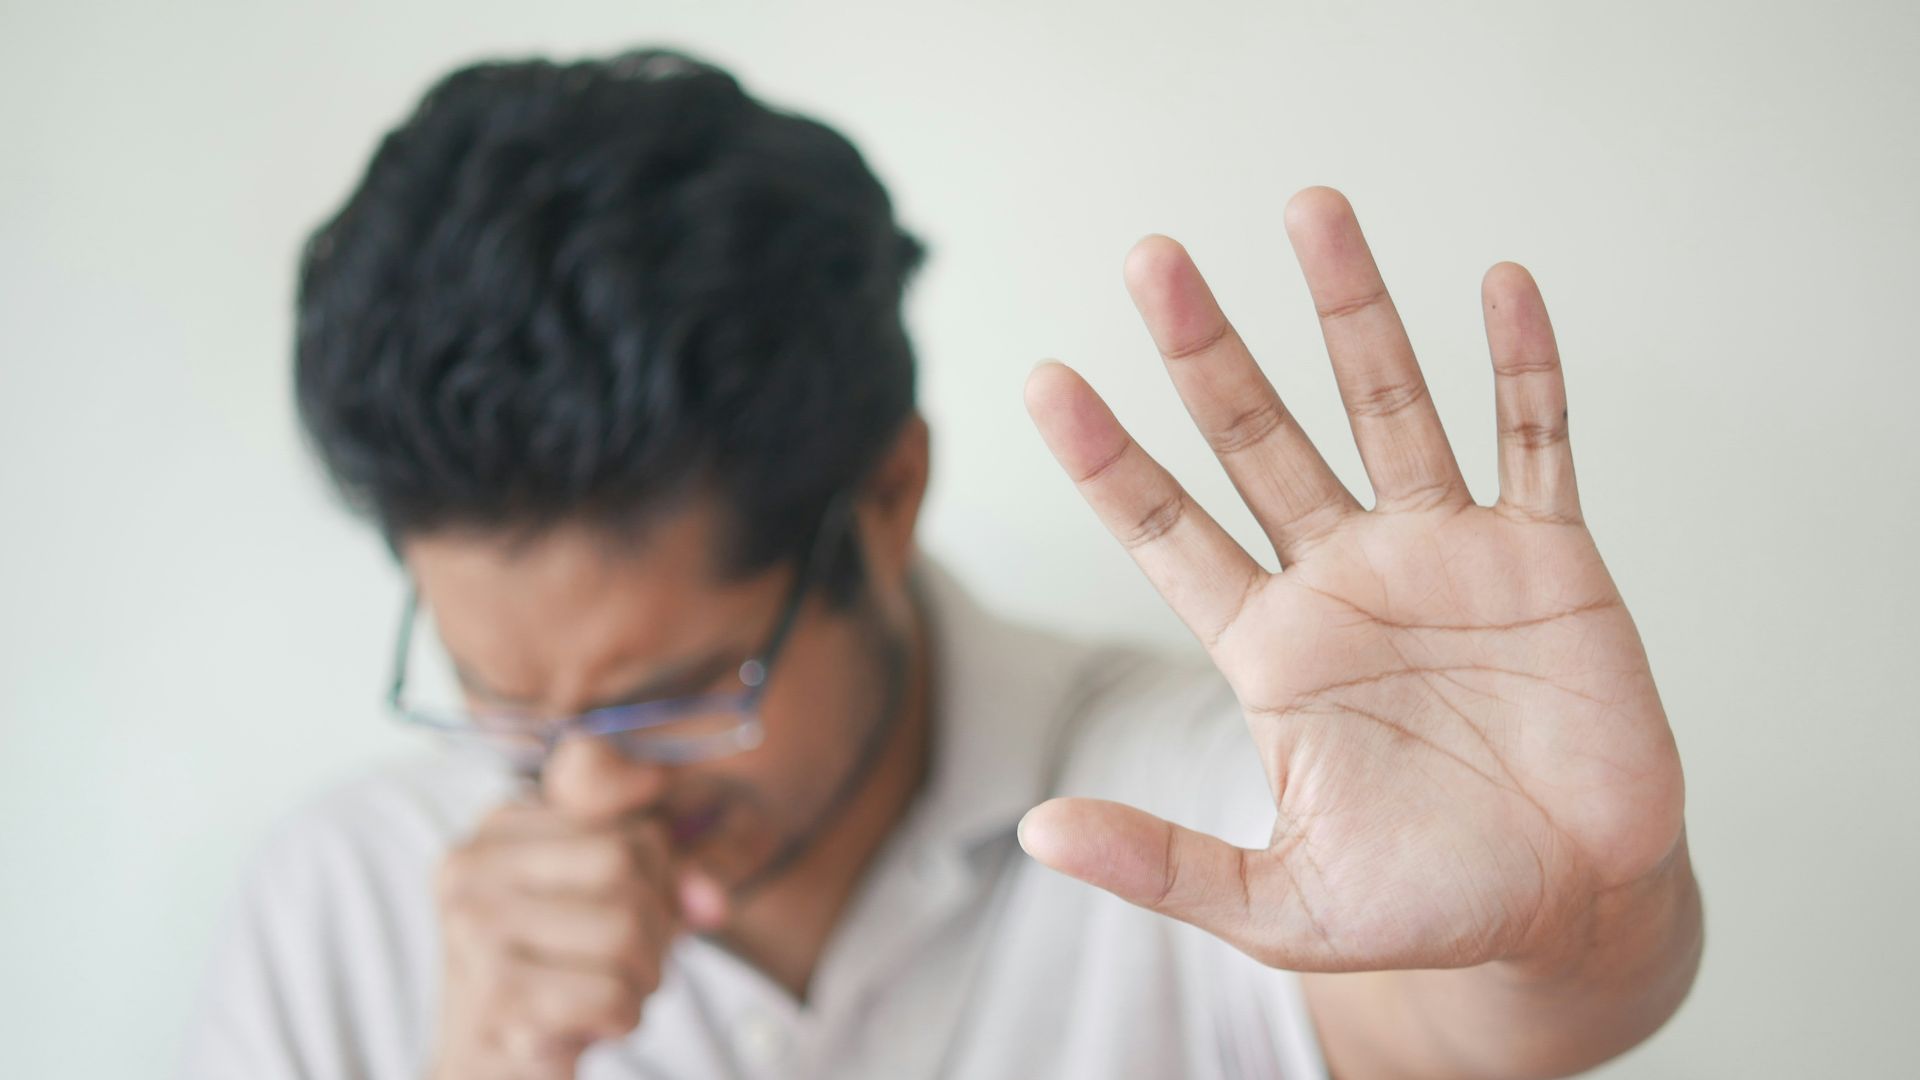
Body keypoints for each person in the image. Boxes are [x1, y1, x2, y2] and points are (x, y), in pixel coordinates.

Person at [180, 47, 1702, 1080]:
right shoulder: (345, 901)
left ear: (888, 494)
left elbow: (1482, 1002)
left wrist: (1576, 922)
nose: (587, 790)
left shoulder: (1207, 789)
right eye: (503, 702)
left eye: (679, 694)